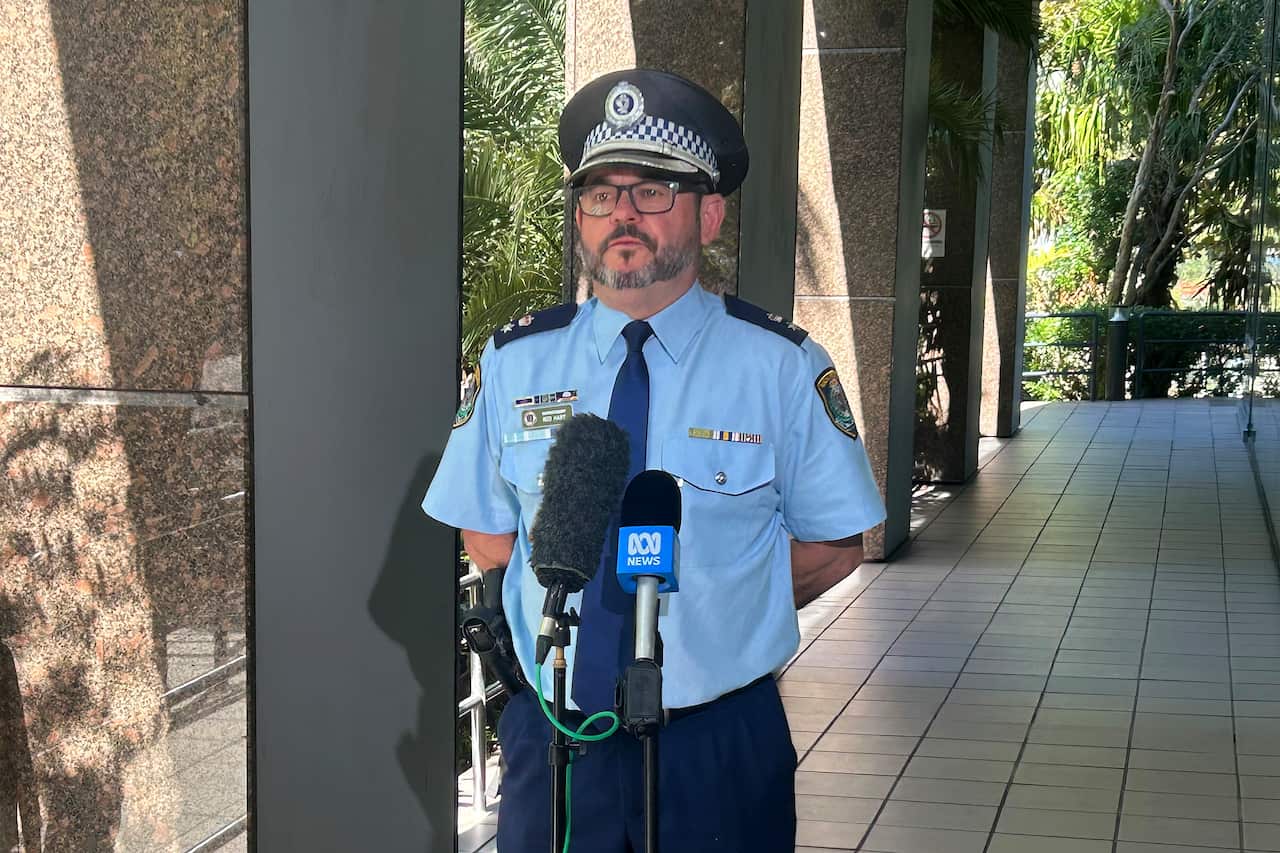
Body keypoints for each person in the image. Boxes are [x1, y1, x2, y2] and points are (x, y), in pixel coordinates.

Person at [424, 68, 885, 853]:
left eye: (651, 192)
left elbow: (836, 543)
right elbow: (488, 526)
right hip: (558, 735)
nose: (622, 215)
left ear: (708, 216)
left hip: (717, 743)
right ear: (580, 215)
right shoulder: (513, 363)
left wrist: (718, 610)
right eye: (600, 195)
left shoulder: (780, 366)